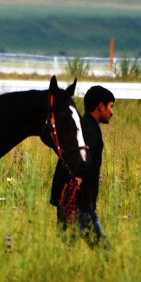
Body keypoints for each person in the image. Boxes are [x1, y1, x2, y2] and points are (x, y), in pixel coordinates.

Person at [50, 84, 114, 245]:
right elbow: (82, 159)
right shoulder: (90, 129)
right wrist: (77, 178)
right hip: (79, 202)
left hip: (73, 200)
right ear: (101, 106)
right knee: (99, 248)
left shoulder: (82, 126)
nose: (112, 112)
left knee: (68, 246)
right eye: (111, 106)